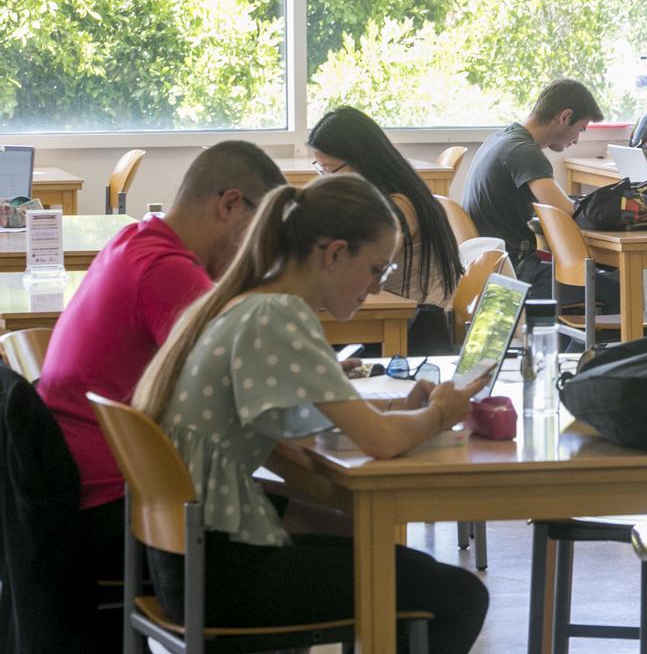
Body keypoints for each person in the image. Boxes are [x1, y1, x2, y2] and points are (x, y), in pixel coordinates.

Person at [131, 174, 488, 652]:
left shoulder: (246, 303)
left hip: (185, 564)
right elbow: (378, 442)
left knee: (391, 556)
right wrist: (441, 412)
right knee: (458, 594)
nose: (376, 287)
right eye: (376, 270)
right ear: (334, 253)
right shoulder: (278, 314)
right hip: (224, 575)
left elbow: (311, 433)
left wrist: (399, 412)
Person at [37, 141, 287, 619]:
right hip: (125, 510)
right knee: (337, 527)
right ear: (230, 205)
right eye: (260, 233)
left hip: (83, 497)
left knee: (303, 518)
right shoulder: (167, 271)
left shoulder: (135, 241)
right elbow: (250, 387)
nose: (259, 252)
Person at [308, 105, 464, 350]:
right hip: (385, 318)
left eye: (328, 170)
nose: (323, 180)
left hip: (410, 330)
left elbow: (359, 262)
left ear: (360, 161)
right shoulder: (370, 200)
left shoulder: (399, 205)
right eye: (320, 169)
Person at [463, 78, 616, 306]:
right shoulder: (524, 152)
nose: (576, 140)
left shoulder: (501, 138)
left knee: (595, 279)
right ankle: (588, 343)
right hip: (512, 274)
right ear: (565, 117)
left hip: (485, 267)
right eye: (580, 129)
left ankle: (575, 341)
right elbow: (568, 214)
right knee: (620, 290)